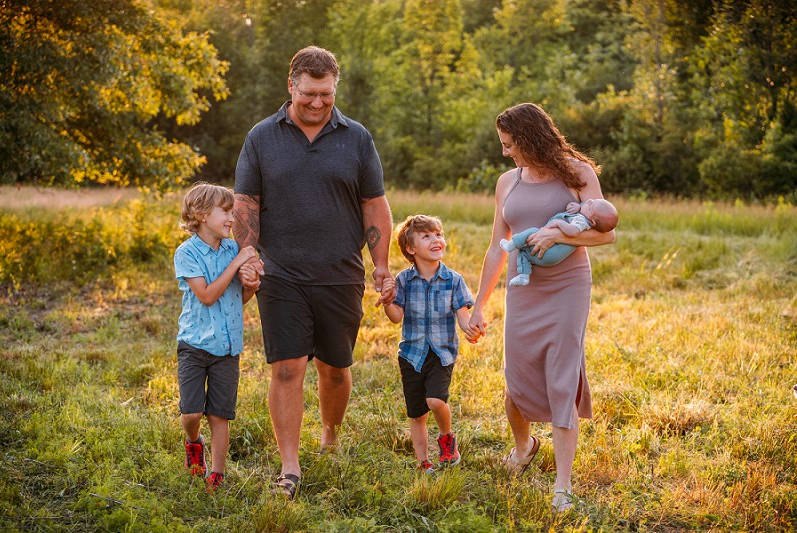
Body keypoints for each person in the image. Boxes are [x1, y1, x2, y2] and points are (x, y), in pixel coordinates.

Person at [232, 46, 394, 500]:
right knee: (286, 368)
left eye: (326, 94)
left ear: (334, 87)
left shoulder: (357, 138)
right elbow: (246, 205)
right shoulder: (261, 137)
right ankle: (289, 466)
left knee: (336, 369)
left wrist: (381, 267)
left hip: (341, 272)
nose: (318, 103)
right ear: (291, 86)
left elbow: (373, 204)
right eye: (309, 94)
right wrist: (247, 258)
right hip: (280, 272)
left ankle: (330, 438)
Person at [468, 103, 616, 513]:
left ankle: (563, 486)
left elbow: (606, 236)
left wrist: (560, 238)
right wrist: (480, 303)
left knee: (562, 378)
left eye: (510, 145)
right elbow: (497, 247)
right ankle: (525, 447)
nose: (505, 153)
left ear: (530, 139)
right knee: (516, 379)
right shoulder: (507, 182)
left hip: (567, 287)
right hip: (523, 288)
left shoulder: (577, 173)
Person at [174, 182, 263, 492]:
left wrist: (252, 284)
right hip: (194, 345)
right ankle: (193, 441)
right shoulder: (186, 253)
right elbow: (209, 295)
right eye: (225, 212)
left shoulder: (232, 249)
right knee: (192, 412)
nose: (231, 219)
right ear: (201, 214)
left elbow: (236, 299)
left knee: (220, 414)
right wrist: (238, 263)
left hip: (228, 347)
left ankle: (217, 473)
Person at [380, 215, 480, 474]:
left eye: (438, 234)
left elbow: (463, 316)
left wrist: (470, 329)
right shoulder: (403, 280)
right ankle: (423, 461)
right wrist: (387, 300)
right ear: (411, 249)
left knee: (435, 400)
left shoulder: (453, 279)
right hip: (411, 354)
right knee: (417, 414)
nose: (436, 240)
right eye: (427, 236)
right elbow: (396, 318)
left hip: (440, 353)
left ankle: (447, 439)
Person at [500, 198, 618, 286]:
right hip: (552, 255)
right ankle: (524, 276)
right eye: (592, 200)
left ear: (592, 222)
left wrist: (558, 223)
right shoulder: (583, 216)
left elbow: (573, 232)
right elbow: (582, 209)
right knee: (524, 252)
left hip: (551, 252)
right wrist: (578, 207)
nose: (588, 201)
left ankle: (511, 245)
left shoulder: (581, 221)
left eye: (590, 205)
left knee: (531, 232)